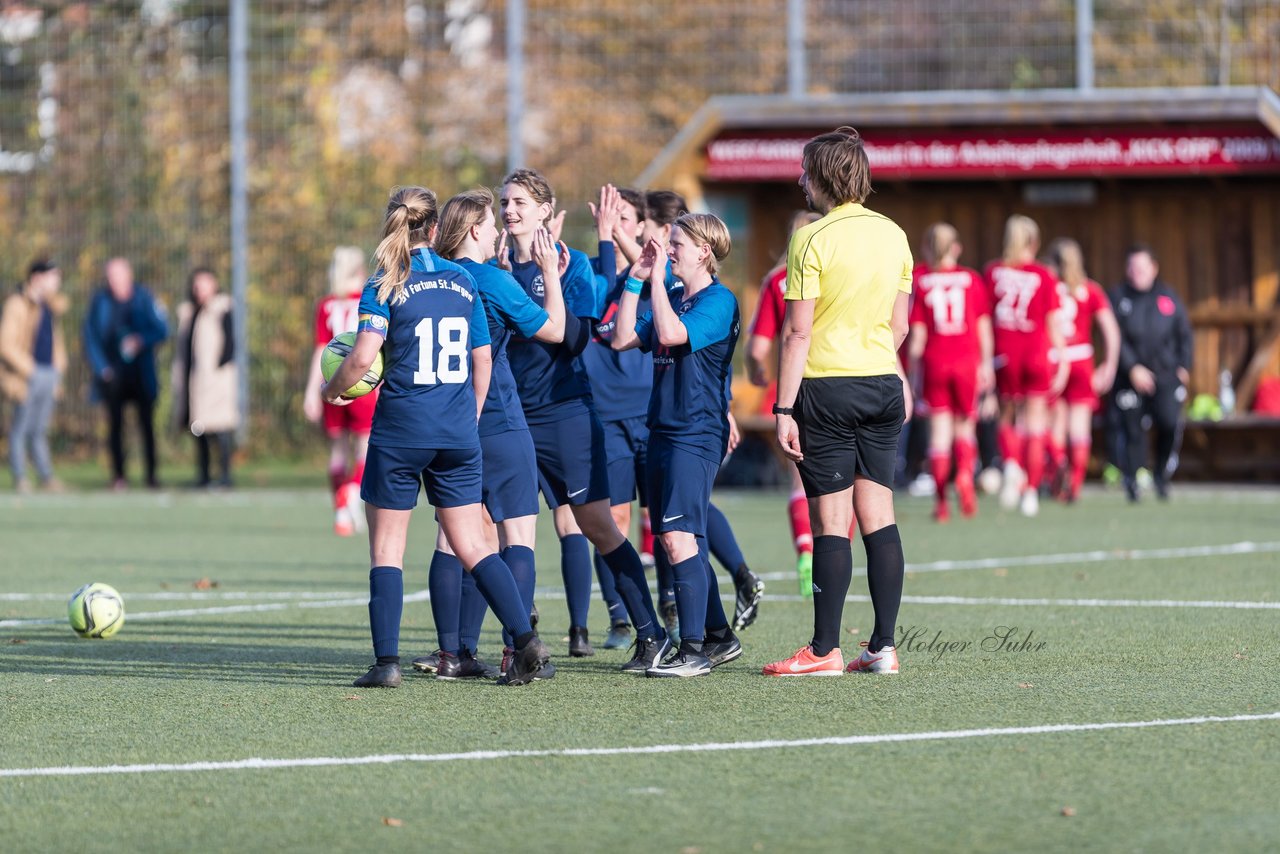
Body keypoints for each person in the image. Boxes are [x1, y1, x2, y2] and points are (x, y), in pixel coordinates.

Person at [319, 185, 549, 688]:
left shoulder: (386, 281)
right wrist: (466, 416)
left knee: (387, 549)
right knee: (472, 543)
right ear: (435, 227)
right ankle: (524, 639)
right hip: (457, 430)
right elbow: (481, 361)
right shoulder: (464, 280)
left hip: (401, 429)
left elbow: (361, 359)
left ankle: (386, 665)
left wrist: (333, 391)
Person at [499, 167, 669, 673]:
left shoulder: (569, 267)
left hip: (566, 412)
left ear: (545, 212)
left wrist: (545, 279)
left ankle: (649, 631)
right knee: (507, 530)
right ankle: (517, 648)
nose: (510, 211)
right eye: (506, 202)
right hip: (511, 417)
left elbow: (573, 340)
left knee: (596, 523)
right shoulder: (490, 267)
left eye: (521, 203)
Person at [762, 126, 913, 678]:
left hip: (826, 388)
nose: (800, 179)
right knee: (879, 515)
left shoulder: (811, 238)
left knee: (831, 520)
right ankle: (883, 647)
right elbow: (898, 325)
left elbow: (796, 334)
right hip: (881, 384)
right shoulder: (895, 234)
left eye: (805, 170)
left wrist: (783, 408)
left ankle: (824, 649)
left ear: (823, 176)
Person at [416, 187, 566, 680]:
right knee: (516, 535)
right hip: (498, 420)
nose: (501, 226)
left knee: (451, 540)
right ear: (477, 230)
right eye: (492, 220)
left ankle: (451, 654)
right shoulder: (491, 280)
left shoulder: (426, 279)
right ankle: (515, 653)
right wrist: (548, 273)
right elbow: (555, 331)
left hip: (445, 422)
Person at [612, 213, 742, 677]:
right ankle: (720, 635)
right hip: (662, 430)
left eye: (678, 243)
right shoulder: (675, 298)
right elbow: (624, 337)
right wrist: (636, 279)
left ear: (704, 251)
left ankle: (693, 651)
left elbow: (670, 335)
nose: (669, 250)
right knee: (684, 537)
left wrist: (658, 285)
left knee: (675, 536)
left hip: (696, 432)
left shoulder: (718, 301)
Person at [744, 210, 823, 588]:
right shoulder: (835, 274)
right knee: (845, 485)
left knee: (799, 480)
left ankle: (806, 552)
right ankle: (830, 557)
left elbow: (758, 346)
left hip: (793, 390)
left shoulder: (777, 280)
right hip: (839, 383)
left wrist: (756, 369)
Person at [906, 223, 993, 522]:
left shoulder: (924, 281)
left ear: (928, 247)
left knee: (939, 435)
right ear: (956, 247)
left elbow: (916, 338)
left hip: (935, 362)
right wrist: (986, 364)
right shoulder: (971, 279)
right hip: (967, 361)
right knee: (965, 428)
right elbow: (983, 327)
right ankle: (966, 475)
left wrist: (914, 376)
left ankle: (941, 501)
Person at [984, 216, 1068, 517]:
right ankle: (1030, 492)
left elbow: (984, 321)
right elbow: (1053, 325)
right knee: (1036, 423)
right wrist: (1065, 360)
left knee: (1007, 417)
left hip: (1005, 355)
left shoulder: (993, 272)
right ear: (1034, 242)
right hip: (1035, 354)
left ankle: (1010, 465)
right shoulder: (1044, 275)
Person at [1109, 244, 1192, 502]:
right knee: (1132, 430)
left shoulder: (1168, 297)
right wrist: (1133, 367)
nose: (1137, 273)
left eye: (1142, 267)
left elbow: (1184, 335)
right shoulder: (1118, 297)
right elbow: (1115, 339)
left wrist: (1184, 366)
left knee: (1168, 423)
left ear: (1154, 268)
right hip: (1130, 376)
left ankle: (1160, 475)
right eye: (1132, 267)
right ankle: (1132, 480)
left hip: (1165, 375)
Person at [305, 247, 378, 536]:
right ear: (360, 271)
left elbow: (320, 350)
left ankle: (342, 512)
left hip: (331, 383)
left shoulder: (326, 305)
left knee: (337, 451)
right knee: (365, 446)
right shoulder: (367, 300)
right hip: (360, 385)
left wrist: (312, 392)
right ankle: (350, 491)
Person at [83, 257, 169, 490]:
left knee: (146, 426)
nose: (114, 281)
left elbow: (162, 330)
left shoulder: (144, 298)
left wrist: (141, 340)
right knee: (115, 428)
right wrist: (102, 368)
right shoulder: (100, 301)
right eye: (110, 276)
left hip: (141, 374)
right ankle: (119, 476)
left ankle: (151, 475)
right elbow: (90, 336)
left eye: (119, 275)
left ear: (128, 275)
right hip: (113, 375)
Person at [1044, 238, 1120, 503]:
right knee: (1080, 427)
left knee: (1055, 425)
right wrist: (1109, 365)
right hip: (1082, 361)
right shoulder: (1090, 290)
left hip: (1055, 360)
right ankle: (1074, 484)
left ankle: (1058, 465)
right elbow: (1110, 329)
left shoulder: (1048, 288)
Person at [1, 260, 67, 493]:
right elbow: (6, 344)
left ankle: (46, 477)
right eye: (53, 276)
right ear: (37, 278)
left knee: (39, 430)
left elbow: (56, 344)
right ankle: (21, 478)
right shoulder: (17, 304)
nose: (57, 282)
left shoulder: (49, 305)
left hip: (49, 375)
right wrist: (31, 371)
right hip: (27, 376)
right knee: (21, 429)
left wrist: (58, 371)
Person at [171, 268, 239, 489]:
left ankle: (225, 476)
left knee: (219, 428)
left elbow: (230, 344)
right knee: (198, 428)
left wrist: (218, 369)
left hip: (215, 381)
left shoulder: (222, 308)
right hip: (194, 381)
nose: (199, 289)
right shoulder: (190, 313)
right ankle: (204, 475)